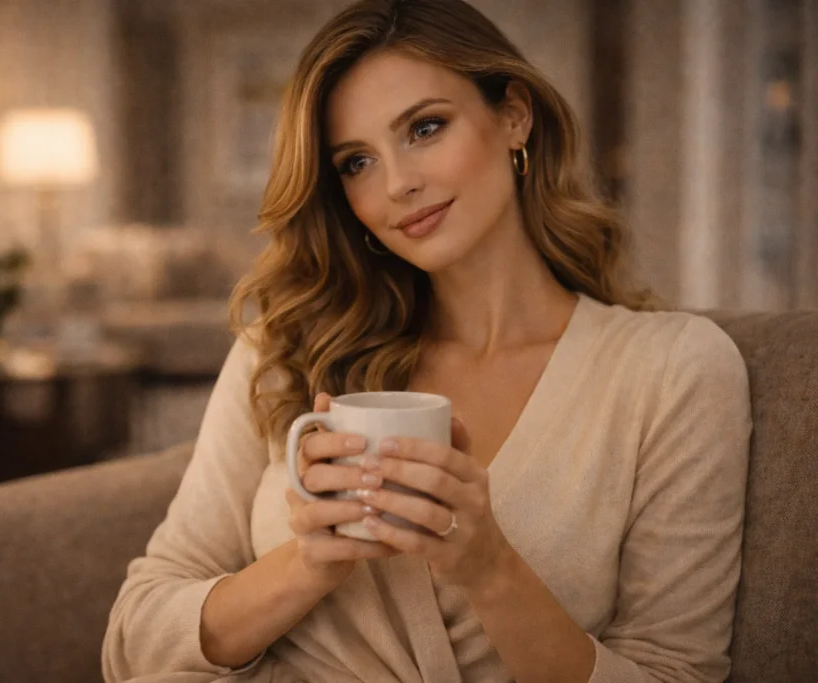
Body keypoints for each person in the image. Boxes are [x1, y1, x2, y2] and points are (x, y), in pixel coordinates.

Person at [101, 0, 752, 681]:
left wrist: (490, 567)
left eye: (425, 127)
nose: (398, 184)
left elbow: (674, 673)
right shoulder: (286, 349)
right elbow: (134, 638)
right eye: (356, 162)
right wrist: (306, 563)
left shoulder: (675, 370)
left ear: (513, 116)